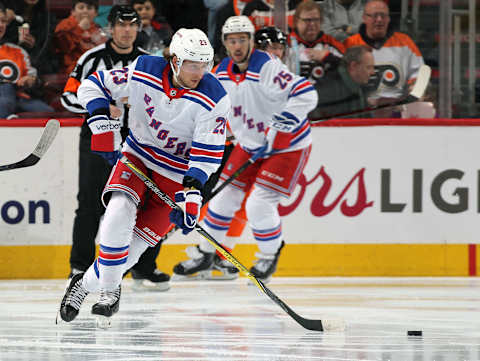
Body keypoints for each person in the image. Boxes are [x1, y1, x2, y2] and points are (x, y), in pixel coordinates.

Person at [57, 27, 230, 325]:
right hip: (138, 157)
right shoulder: (144, 70)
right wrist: (99, 119)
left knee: (133, 250)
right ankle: (110, 292)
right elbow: (91, 86)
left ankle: (83, 286)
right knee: (117, 213)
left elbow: (207, 154)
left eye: (204, 64)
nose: (199, 72)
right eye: (192, 64)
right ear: (174, 60)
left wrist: (192, 196)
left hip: (177, 175)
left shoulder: (215, 97)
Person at [173, 15, 317, 283]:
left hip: (288, 147)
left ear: (251, 41)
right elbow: (210, 108)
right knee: (222, 200)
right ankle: (207, 253)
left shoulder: (268, 67)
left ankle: (268, 256)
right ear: (224, 43)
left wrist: (282, 123)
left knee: (259, 204)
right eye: (231, 40)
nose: (237, 46)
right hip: (250, 145)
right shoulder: (219, 73)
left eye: (242, 39)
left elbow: (306, 93)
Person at [61, 5, 169, 292]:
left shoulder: (149, 62)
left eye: (132, 25)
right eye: (121, 25)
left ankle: (144, 268)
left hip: (140, 144)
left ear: (138, 28)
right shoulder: (91, 59)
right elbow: (68, 96)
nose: (126, 30)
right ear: (111, 27)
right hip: (98, 140)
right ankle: (80, 267)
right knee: (90, 203)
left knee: (146, 204)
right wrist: (100, 109)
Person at [343, 0, 425, 117]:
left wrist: (413, 94)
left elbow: (421, 77)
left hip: (397, 110)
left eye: (383, 16)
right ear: (364, 18)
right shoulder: (350, 43)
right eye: (375, 16)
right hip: (361, 112)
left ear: (389, 19)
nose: (379, 20)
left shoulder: (405, 42)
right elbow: (342, 80)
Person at [0, 2, 53, 118]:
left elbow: (34, 78)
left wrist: (31, 80)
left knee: (46, 111)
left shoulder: (17, 51)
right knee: (5, 93)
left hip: (18, 97)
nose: (0, 25)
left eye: (3, 21)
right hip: (4, 98)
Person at [308, 45, 375, 120]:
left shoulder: (358, 88)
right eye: (368, 67)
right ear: (353, 66)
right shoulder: (328, 90)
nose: (372, 72)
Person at [287, 0, 345, 85]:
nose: (312, 24)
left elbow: (351, 70)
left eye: (316, 20)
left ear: (321, 21)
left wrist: (328, 57)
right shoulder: (286, 45)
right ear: (296, 21)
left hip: (329, 95)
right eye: (307, 20)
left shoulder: (332, 44)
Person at [3, 0, 58, 75]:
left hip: (35, 65)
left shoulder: (47, 18)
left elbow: (46, 52)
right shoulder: (4, 11)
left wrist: (34, 46)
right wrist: (5, 21)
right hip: (6, 62)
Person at [54, 0, 107, 76]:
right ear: (73, 12)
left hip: (97, 67)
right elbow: (63, 47)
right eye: (81, 8)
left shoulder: (97, 28)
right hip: (73, 69)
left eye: (89, 8)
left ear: (96, 13)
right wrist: (79, 29)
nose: (85, 11)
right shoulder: (64, 25)